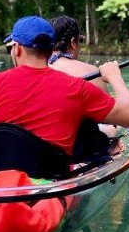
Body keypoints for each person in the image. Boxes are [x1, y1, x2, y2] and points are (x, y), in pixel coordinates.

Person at [0, 16, 129, 178]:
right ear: (49, 49)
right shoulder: (78, 88)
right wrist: (115, 77)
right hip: (45, 189)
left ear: (16, 48)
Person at [49, 15, 117, 157]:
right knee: (111, 128)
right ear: (73, 42)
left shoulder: (32, 69)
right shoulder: (90, 71)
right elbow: (110, 116)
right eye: (80, 41)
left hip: (40, 147)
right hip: (77, 150)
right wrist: (114, 77)